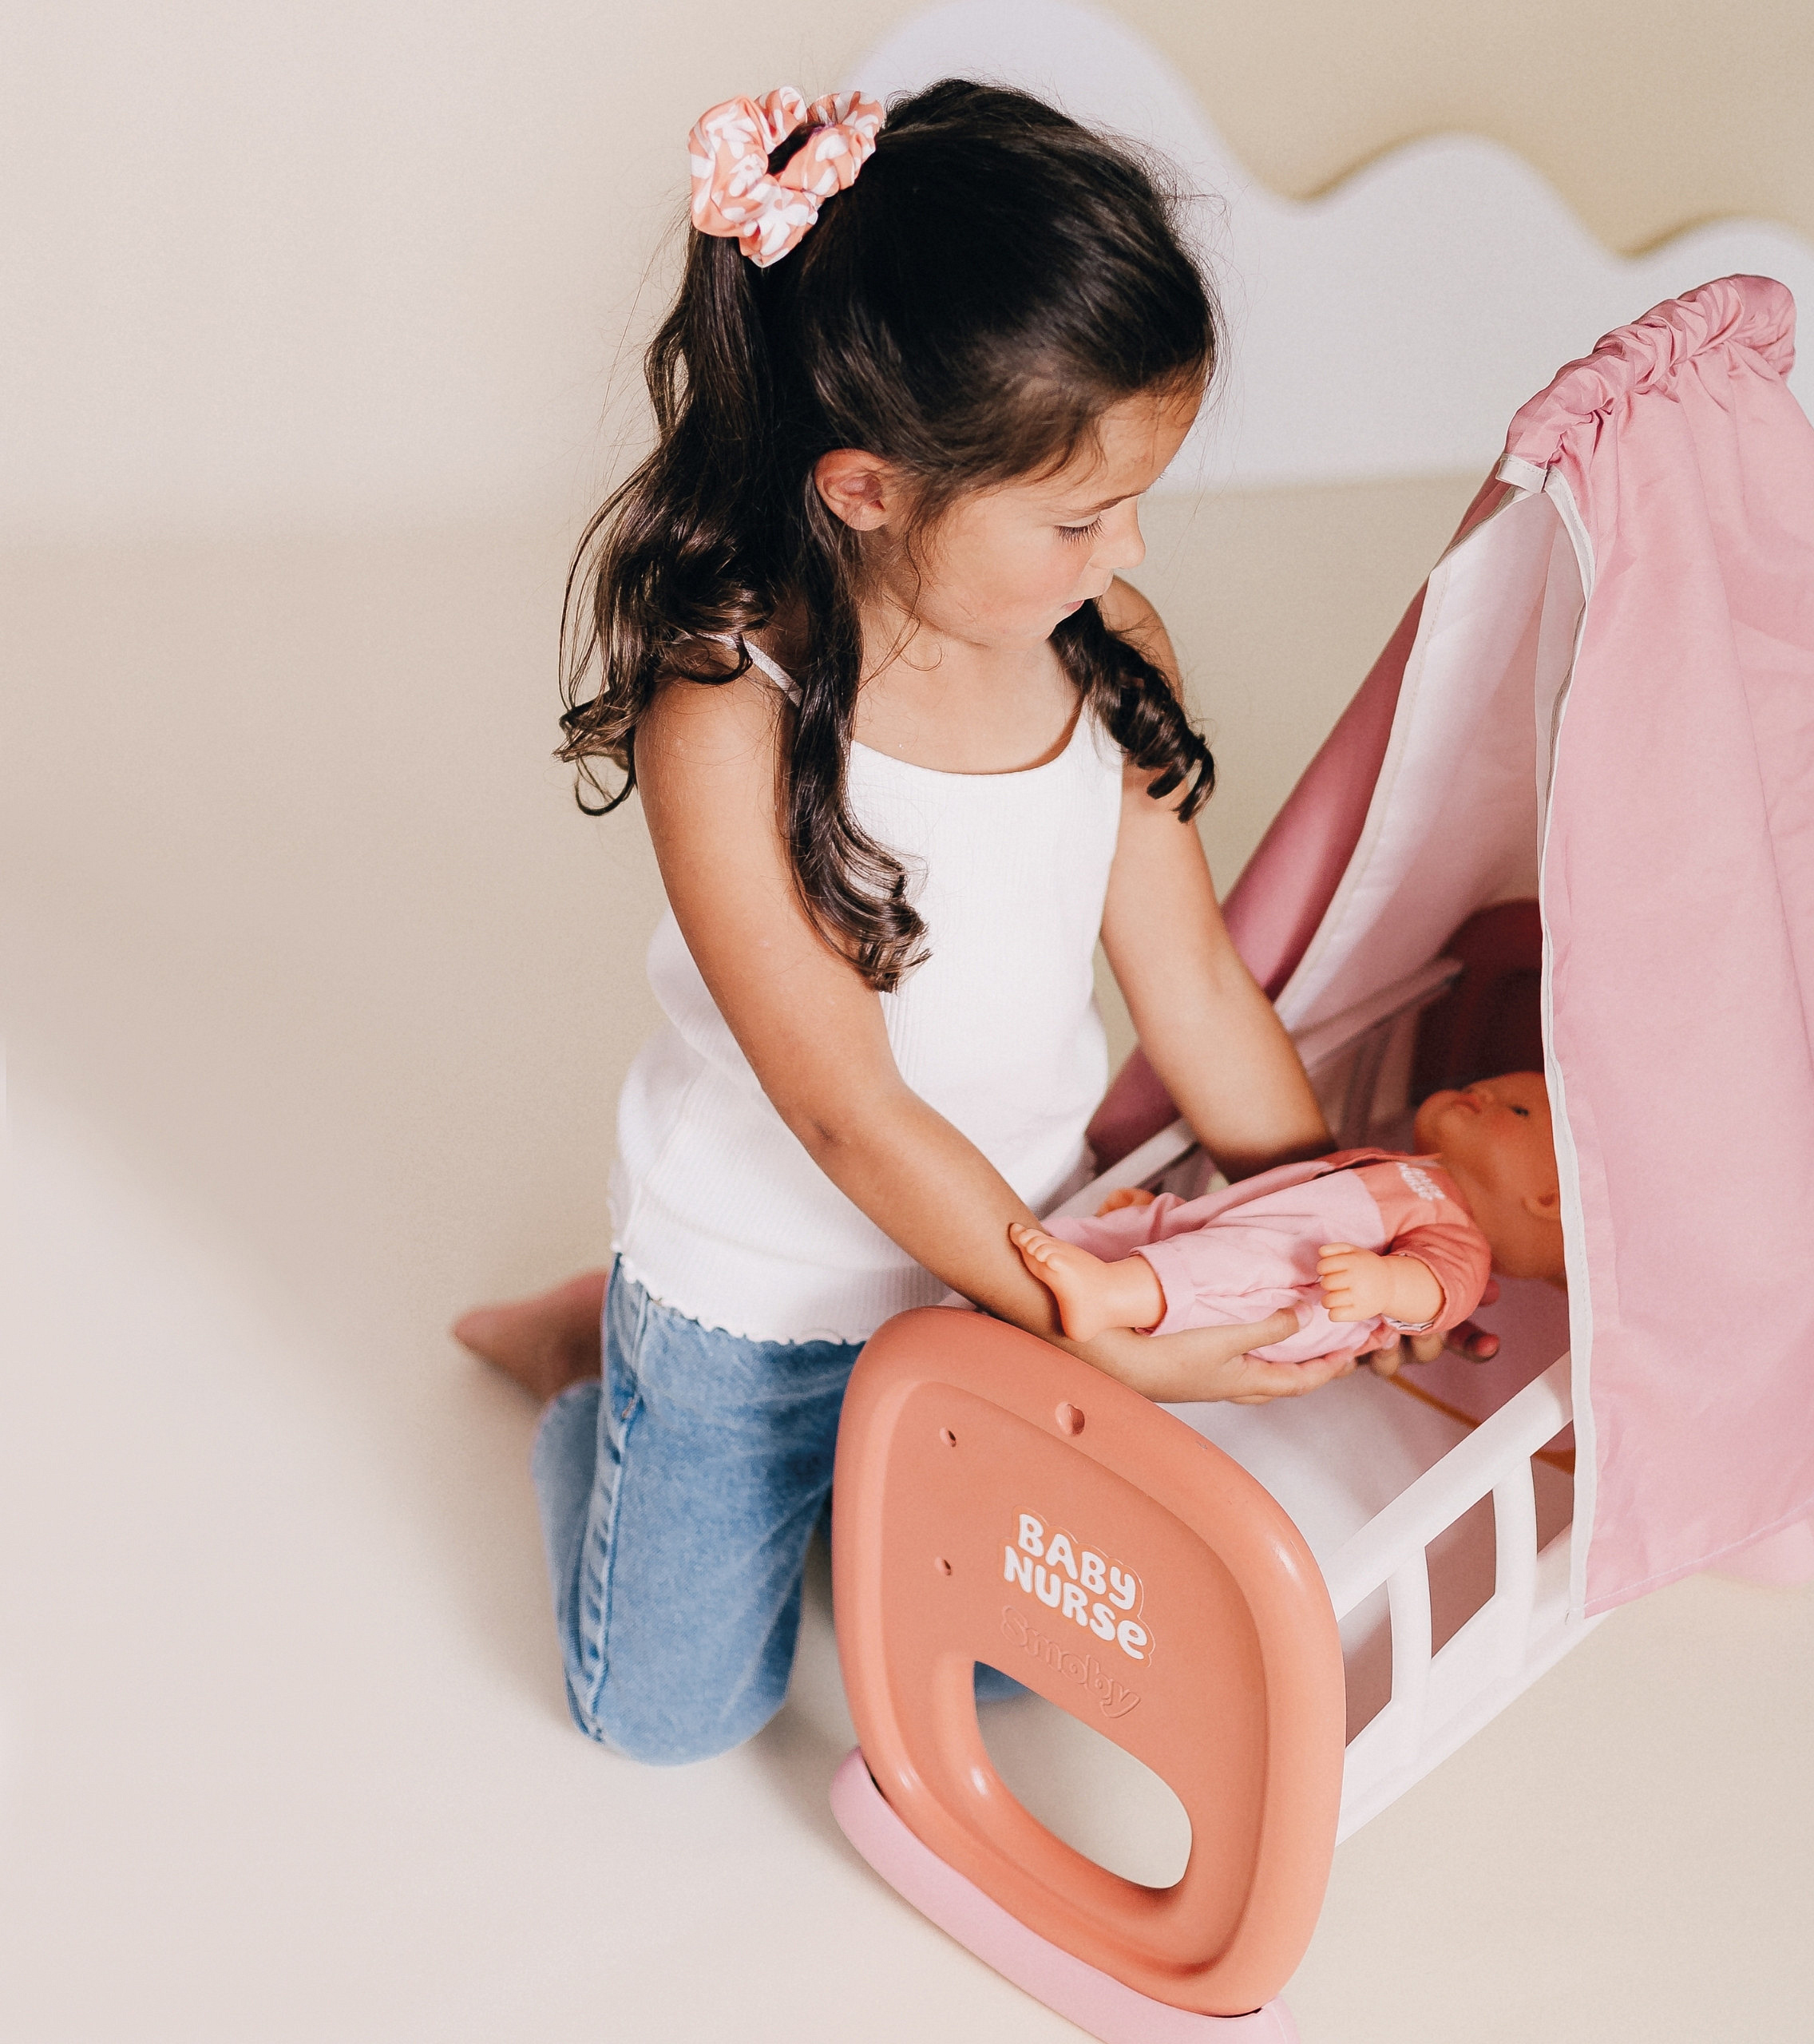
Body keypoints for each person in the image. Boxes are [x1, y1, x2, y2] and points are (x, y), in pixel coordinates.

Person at [455, 79, 1481, 1767]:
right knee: (664, 1722)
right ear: (865, 488)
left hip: (1008, 1265)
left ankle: (815, 1478)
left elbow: (1192, 981)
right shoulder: (726, 710)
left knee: (1010, 1674)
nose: (1125, 548)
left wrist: (1330, 1207)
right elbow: (844, 1111)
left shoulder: (1104, 643)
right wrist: (1084, 1316)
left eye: (1135, 499)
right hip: (766, 1299)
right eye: (1077, 516)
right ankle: (598, 1375)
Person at [1012, 1072, 1564, 1365]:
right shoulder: (1408, 1166)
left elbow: (1443, 1294)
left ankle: (1111, 1293)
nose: (1481, 1092)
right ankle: (1078, 1247)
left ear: (1547, 1199)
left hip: (1303, 1290)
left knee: (1237, 1264)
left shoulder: (1463, 1238)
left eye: (1518, 1110)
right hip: (1265, 1234)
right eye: (1484, 1086)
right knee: (1200, 1228)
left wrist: (1385, 1284)